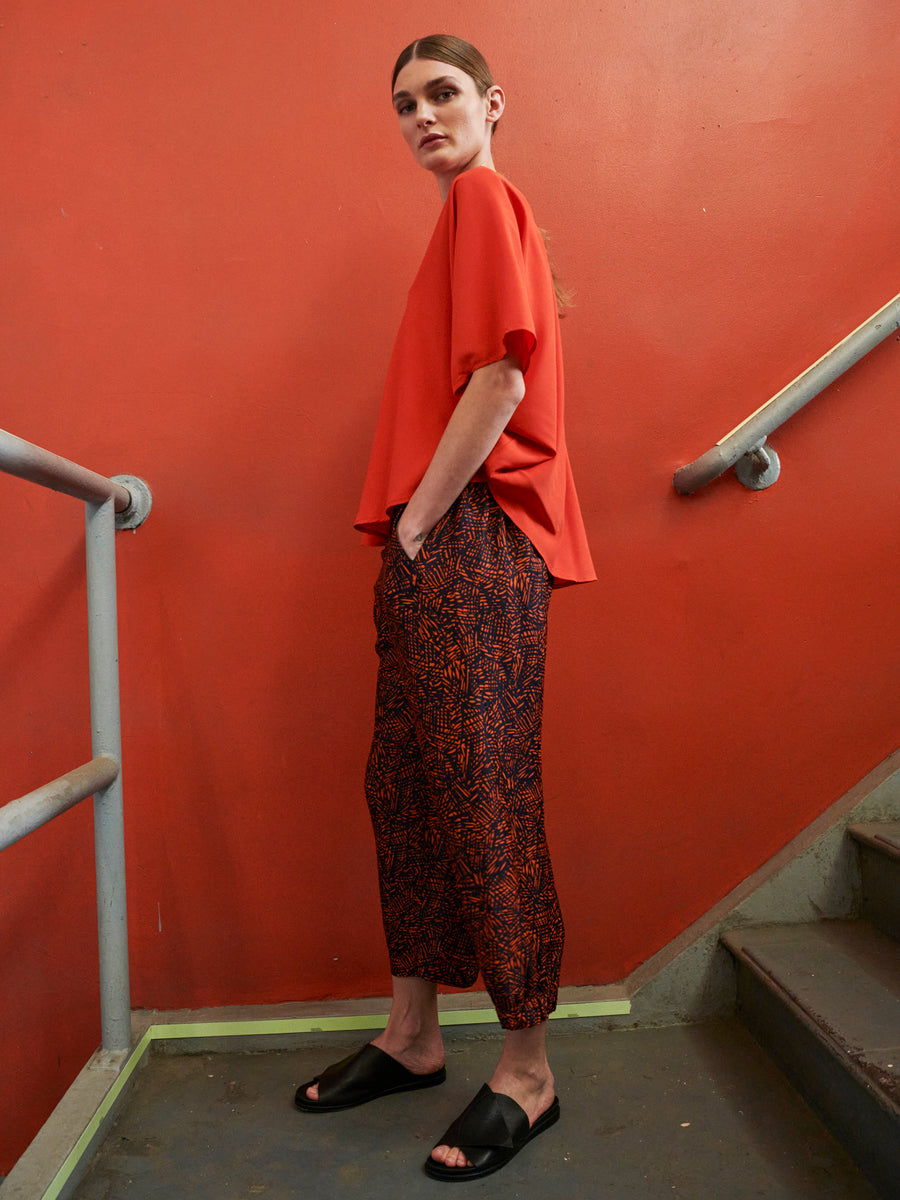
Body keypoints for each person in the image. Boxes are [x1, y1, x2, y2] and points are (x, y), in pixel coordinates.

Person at [295, 35, 595, 1181]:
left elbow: (502, 380)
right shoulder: (471, 216)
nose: (423, 115)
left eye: (445, 94)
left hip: (469, 535)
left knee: (479, 791)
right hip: (444, 542)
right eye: (404, 103)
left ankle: (526, 1068)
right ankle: (414, 1036)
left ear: (492, 105)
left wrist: (419, 521)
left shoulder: (481, 195)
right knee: (407, 785)